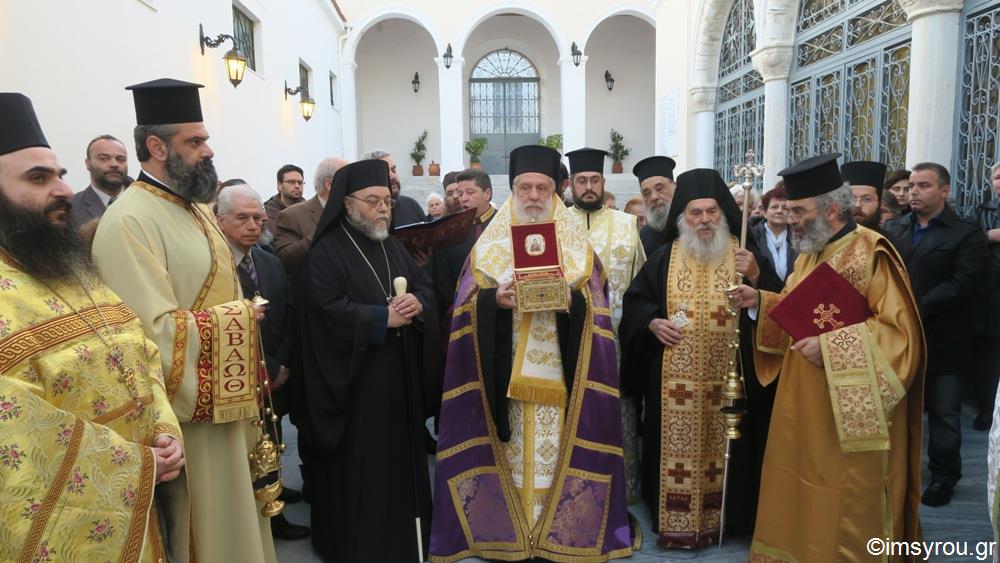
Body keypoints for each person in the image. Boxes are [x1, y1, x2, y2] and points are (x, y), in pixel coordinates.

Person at [91, 78, 276, 562]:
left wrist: (238, 321)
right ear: (157, 147)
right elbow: (146, 334)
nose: (208, 151)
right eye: (195, 141)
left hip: (228, 412)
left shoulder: (197, 210)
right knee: (211, 535)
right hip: (188, 425)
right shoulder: (129, 221)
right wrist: (239, 321)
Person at [0, 91, 186, 563]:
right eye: (38, 178)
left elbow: (140, 351)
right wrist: (135, 463)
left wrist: (164, 429)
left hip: (138, 507)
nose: (63, 190)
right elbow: (18, 433)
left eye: (59, 174)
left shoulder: (71, 269)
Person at [429, 145, 638, 562]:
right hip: (504, 377)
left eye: (542, 188)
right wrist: (493, 302)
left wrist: (568, 299)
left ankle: (556, 528)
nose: (533, 196)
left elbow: (597, 304)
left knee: (556, 451)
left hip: (561, 377)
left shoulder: (577, 245)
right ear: (512, 190)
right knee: (510, 452)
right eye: (525, 187)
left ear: (555, 191)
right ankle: (508, 529)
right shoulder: (487, 247)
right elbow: (462, 307)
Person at [729, 153, 924, 561]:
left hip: (850, 413)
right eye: (790, 211)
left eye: (799, 211)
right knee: (802, 489)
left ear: (831, 209)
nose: (791, 219)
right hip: (802, 402)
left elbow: (900, 336)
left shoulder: (873, 253)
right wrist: (760, 301)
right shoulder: (807, 255)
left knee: (844, 499)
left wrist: (831, 347)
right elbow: (794, 311)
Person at [619, 168, 779, 548]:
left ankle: (730, 519)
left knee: (734, 450)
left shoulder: (745, 255)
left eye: (711, 211)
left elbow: (779, 306)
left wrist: (758, 280)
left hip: (733, 383)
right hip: (675, 389)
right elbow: (636, 305)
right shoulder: (663, 257)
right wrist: (652, 323)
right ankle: (676, 519)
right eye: (696, 213)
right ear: (683, 217)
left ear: (723, 213)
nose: (705, 219)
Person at [296, 159, 442, 562]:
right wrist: (381, 318)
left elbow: (425, 285)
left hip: (398, 384)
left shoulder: (391, 245)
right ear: (347, 204)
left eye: (386, 201)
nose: (382, 209)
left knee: (400, 468)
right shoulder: (324, 254)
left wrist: (419, 303)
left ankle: (405, 541)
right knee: (363, 472)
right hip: (355, 392)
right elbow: (322, 314)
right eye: (372, 201)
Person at [883, 162, 988, 507]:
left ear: (944, 190)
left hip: (945, 338)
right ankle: (895, 471)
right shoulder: (894, 228)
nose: (913, 191)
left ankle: (943, 477)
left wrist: (913, 306)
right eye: (912, 185)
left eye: (923, 185)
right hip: (898, 337)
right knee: (896, 406)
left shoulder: (966, 233)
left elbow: (963, 283)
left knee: (944, 412)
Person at [215, 183, 310, 541]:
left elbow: (288, 312)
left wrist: (280, 362)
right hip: (238, 378)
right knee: (244, 448)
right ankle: (253, 517)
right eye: (242, 218)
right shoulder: (214, 268)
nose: (253, 226)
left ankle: (275, 504)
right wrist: (264, 366)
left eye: (258, 218)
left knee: (272, 438)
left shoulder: (269, 261)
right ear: (220, 220)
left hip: (276, 372)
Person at [565, 147, 646, 503]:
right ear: (571, 184)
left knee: (619, 412)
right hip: (568, 340)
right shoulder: (556, 223)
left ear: (603, 182)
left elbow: (640, 282)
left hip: (616, 342)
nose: (588, 187)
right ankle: (574, 492)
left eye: (594, 180)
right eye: (581, 180)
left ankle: (624, 489)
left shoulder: (626, 224)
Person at [428, 168, 496, 331]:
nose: (463, 198)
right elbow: (442, 281)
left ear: (487, 194)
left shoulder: (503, 225)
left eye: (470, 192)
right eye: (460, 193)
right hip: (461, 319)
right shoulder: (449, 230)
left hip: (498, 316)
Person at [272, 157, 347, 275]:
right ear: (329, 184)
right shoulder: (291, 215)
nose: (354, 184)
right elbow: (285, 260)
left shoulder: (353, 211)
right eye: (348, 178)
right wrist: (321, 232)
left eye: (300, 182)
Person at [976, 163, 1000, 432]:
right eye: (997, 177)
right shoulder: (983, 211)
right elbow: (970, 241)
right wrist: (988, 235)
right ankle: (986, 410)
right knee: (989, 359)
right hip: (989, 293)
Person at [72, 134, 130, 225]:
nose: (114, 164)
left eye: (120, 159)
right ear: (88, 163)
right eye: (104, 158)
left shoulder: (144, 200)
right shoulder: (71, 207)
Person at [362, 149, 424, 226]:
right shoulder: (364, 215)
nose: (393, 176)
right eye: (385, 172)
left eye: (394, 170)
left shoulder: (411, 205)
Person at [750, 181, 797, 283]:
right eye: (774, 207)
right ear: (765, 213)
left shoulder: (798, 237)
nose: (779, 211)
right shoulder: (753, 236)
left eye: (785, 208)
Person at [633, 155, 677, 254]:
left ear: (674, 186)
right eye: (646, 193)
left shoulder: (691, 227)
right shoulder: (644, 236)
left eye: (659, 188)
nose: (654, 197)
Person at [842, 160, 887, 229]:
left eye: (866, 199)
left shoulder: (885, 237)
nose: (857, 205)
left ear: (880, 204)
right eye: (851, 198)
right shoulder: (828, 236)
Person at [264, 164, 305, 229]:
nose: (297, 186)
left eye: (300, 183)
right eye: (292, 182)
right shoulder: (269, 212)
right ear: (279, 185)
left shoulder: (309, 209)